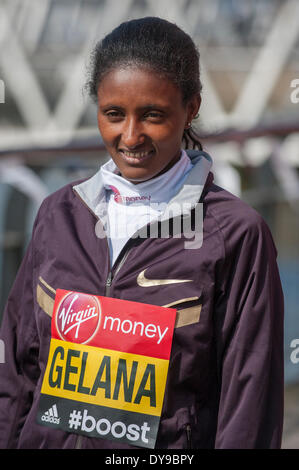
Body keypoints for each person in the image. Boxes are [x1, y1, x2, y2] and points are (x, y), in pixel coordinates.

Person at [0, 17, 284, 449]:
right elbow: (16, 373)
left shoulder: (236, 234)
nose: (130, 136)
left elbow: (250, 404)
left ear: (191, 108)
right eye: (113, 114)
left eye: (153, 115)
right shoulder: (58, 213)